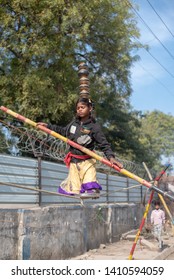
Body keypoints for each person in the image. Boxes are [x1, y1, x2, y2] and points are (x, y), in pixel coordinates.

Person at [38, 96, 123, 197]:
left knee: (90, 182)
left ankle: (93, 192)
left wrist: (111, 157)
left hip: (87, 161)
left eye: (83, 107)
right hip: (74, 161)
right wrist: (47, 127)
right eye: (78, 108)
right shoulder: (73, 124)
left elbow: (104, 144)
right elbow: (63, 131)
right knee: (74, 188)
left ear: (90, 108)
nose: (80, 110)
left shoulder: (94, 127)